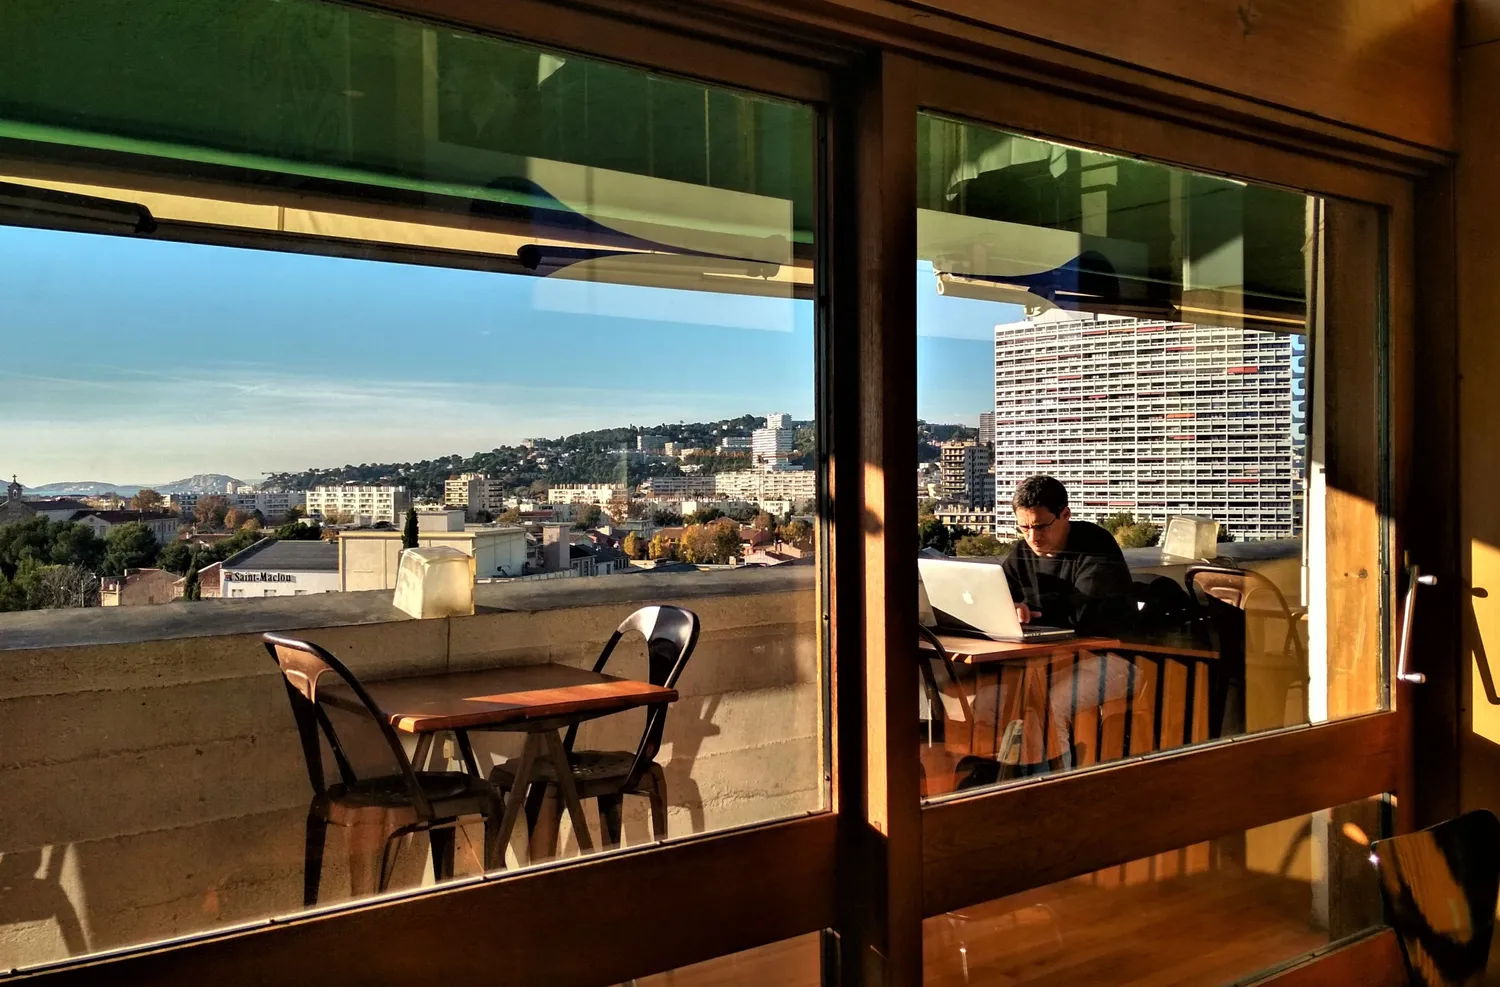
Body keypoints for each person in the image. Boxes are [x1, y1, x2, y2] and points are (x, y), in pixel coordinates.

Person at [1002, 475, 1135, 636]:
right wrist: (1011, 608)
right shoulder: (1023, 551)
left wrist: (1028, 610)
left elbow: (1084, 611)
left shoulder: (1095, 544)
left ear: (1065, 514)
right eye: (1024, 528)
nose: (1032, 537)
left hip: (1103, 648)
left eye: (1042, 527)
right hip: (1047, 646)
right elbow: (999, 594)